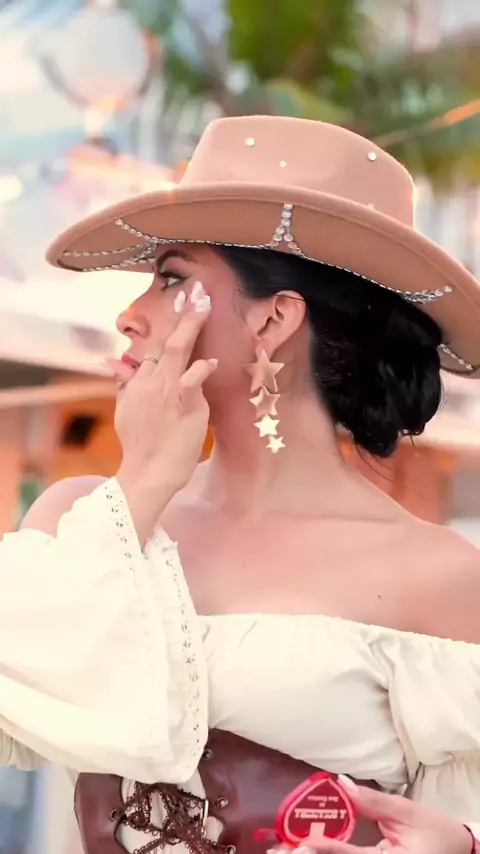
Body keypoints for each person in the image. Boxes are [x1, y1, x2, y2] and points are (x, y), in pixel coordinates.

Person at [6, 116, 480, 854]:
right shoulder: (83, 522)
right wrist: (142, 483)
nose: (129, 317)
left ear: (274, 319)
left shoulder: (441, 576)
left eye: (172, 278)